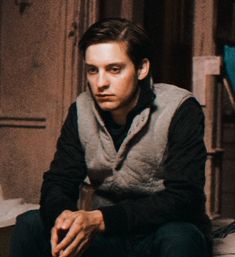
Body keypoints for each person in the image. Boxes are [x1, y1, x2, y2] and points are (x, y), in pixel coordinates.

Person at [10, 18, 212, 257]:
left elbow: (184, 197)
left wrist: (100, 218)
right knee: (29, 224)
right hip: (108, 236)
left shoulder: (180, 108)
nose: (100, 83)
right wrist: (63, 216)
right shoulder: (81, 110)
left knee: (179, 238)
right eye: (93, 70)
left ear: (141, 68)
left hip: (162, 231)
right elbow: (59, 181)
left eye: (114, 69)